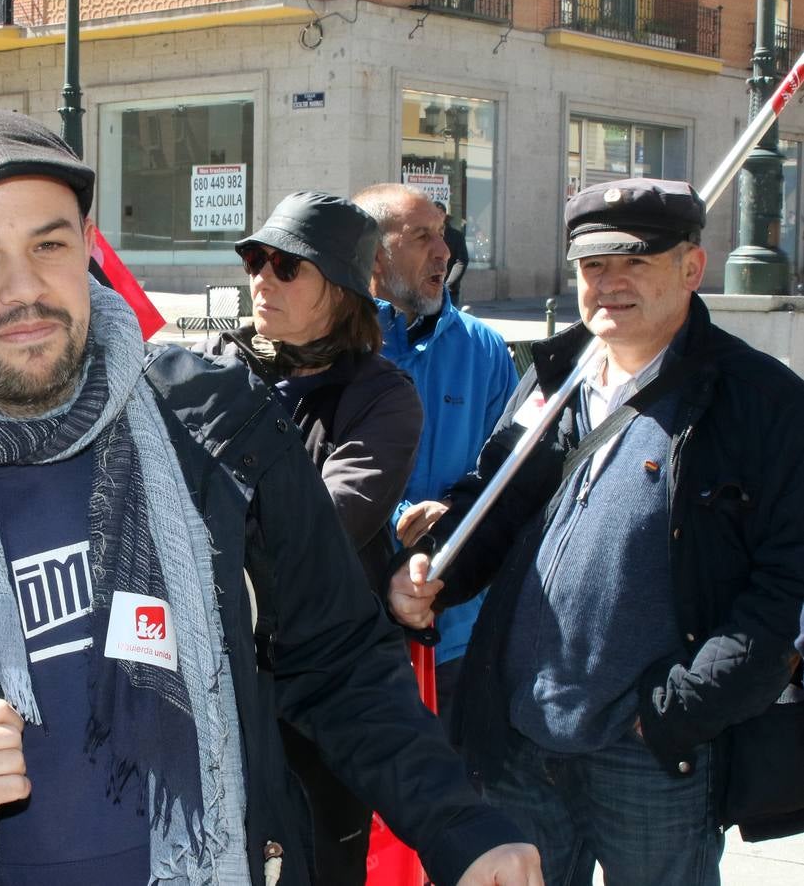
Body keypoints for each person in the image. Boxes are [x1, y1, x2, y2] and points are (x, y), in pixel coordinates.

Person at [0, 108, 541, 886]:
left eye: (49, 244)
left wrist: (458, 824)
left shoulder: (215, 424)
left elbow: (337, 660)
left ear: (85, 245)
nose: (24, 288)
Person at [388, 178, 804, 885]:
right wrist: (434, 567)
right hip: (519, 738)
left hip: (651, 754)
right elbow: (494, 498)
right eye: (590, 266)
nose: (607, 284)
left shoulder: (760, 399)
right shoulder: (557, 377)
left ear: (691, 269)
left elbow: (786, 585)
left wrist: (677, 711)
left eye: (634, 261)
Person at [201, 191, 423, 884]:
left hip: (322, 692)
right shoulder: (215, 368)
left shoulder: (382, 396)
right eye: (254, 261)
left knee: (323, 863)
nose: (262, 278)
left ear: (342, 289)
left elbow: (319, 531)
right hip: (220, 682)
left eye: (286, 266)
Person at [354, 184, 517, 734]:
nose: (444, 251)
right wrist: (395, 516)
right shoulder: (334, 344)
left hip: (458, 638)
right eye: (422, 235)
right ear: (374, 252)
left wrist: (453, 513)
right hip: (355, 637)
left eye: (443, 234)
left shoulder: (486, 350)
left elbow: (512, 472)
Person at [433, 201, 470, 308]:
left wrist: (448, 285)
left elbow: (461, 261)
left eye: (439, 214)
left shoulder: (456, 236)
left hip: (449, 290)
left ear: (444, 216)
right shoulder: (425, 235)